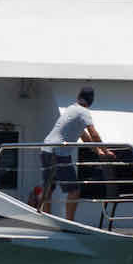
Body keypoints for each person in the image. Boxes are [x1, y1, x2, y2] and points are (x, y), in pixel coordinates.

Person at [38, 87, 105, 221]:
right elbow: (93, 134)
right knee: (74, 191)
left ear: (78, 96)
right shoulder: (83, 111)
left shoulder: (71, 109)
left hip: (46, 149)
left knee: (48, 188)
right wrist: (106, 150)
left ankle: (44, 219)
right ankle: (70, 222)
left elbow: (83, 136)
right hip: (59, 152)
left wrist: (98, 151)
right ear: (91, 100)